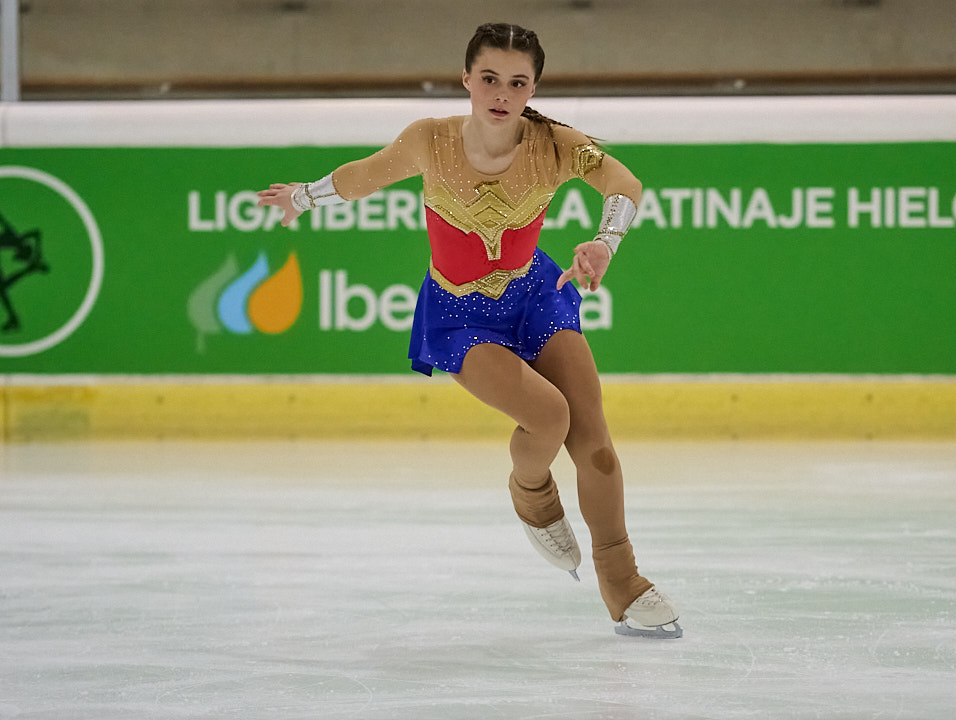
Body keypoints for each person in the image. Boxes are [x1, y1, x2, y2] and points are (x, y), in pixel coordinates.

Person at [257, 22, 681, 638]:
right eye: (489, 78)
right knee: (549, 417)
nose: (502, 93)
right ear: (466, 79)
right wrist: (303, 196)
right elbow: (365, 175)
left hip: (537, 295)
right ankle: (533, 494)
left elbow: (625, 183)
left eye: (517, 81)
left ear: (533, 86)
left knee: (598, 447)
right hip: (459, 313)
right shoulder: (429, 141)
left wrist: (605, 242)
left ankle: (623, 580)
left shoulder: (555, 144)